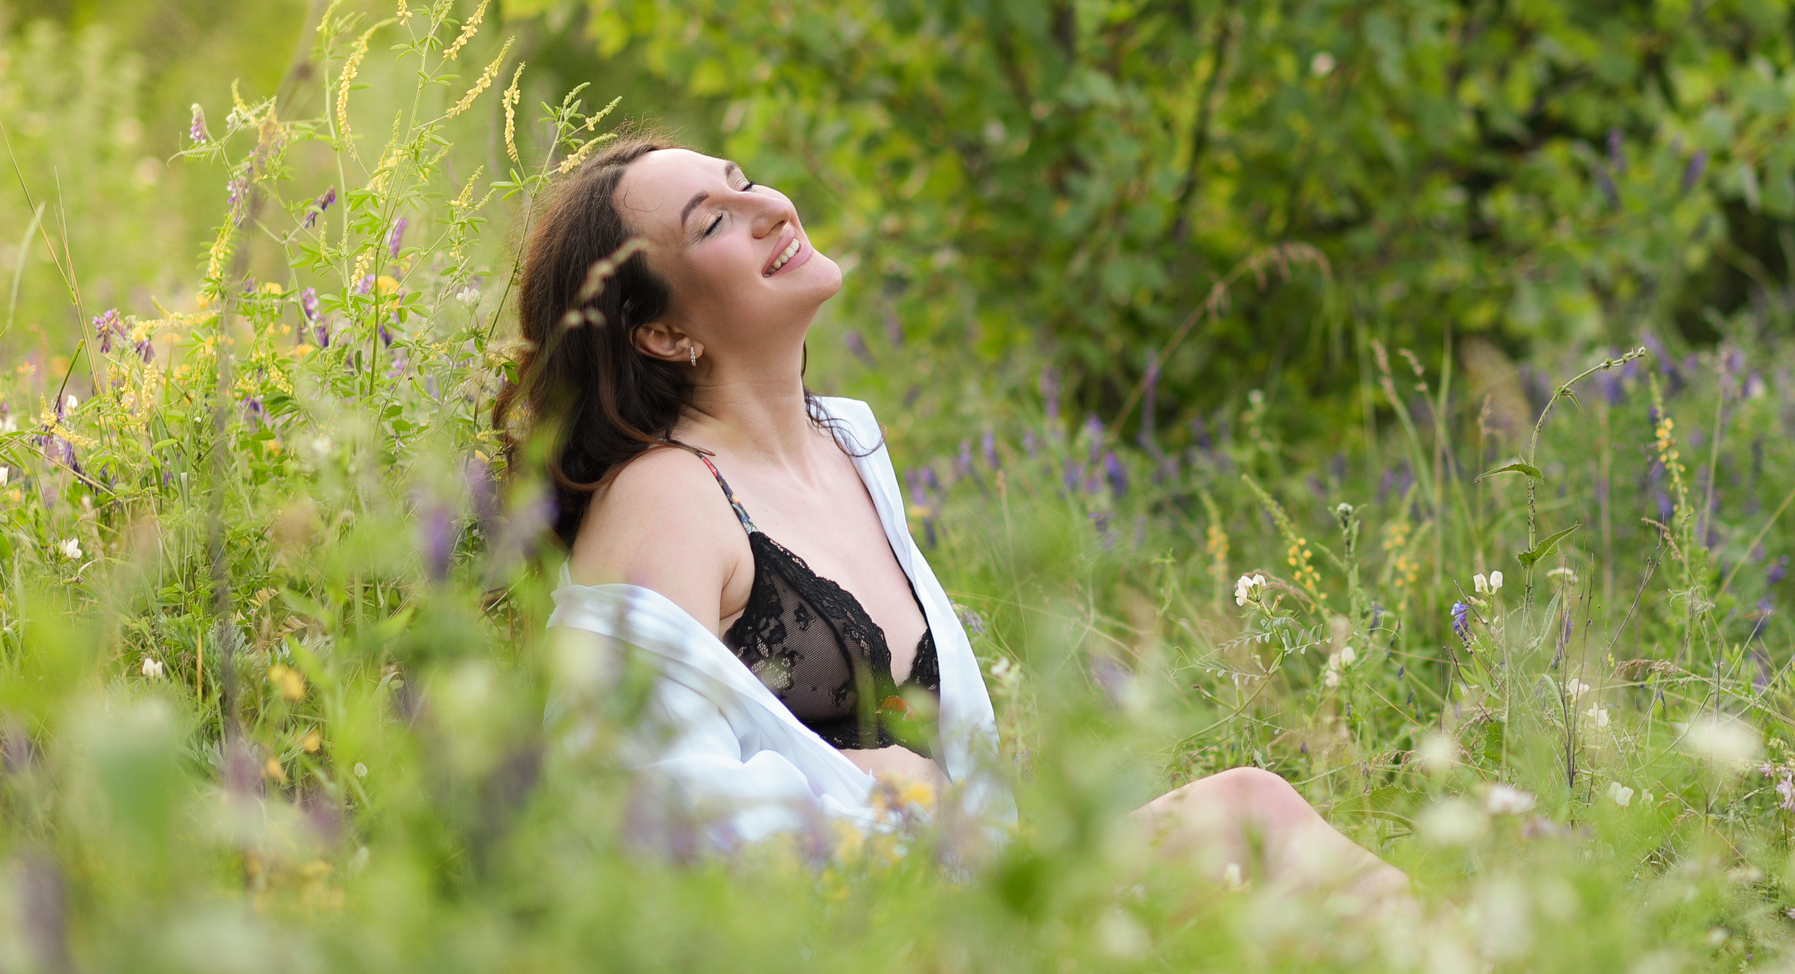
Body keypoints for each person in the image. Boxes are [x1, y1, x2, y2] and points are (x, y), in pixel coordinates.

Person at [499, 135, 1406, 903]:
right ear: (662, 334)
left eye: (745, 183)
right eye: (713, 222)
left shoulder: (845, 446)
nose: (769, 207)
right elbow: (629, 798)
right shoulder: (665, 496)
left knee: (1253, 814)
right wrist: (877, 788)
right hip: (851, 955)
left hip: (970, 892)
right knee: (1248, 817)